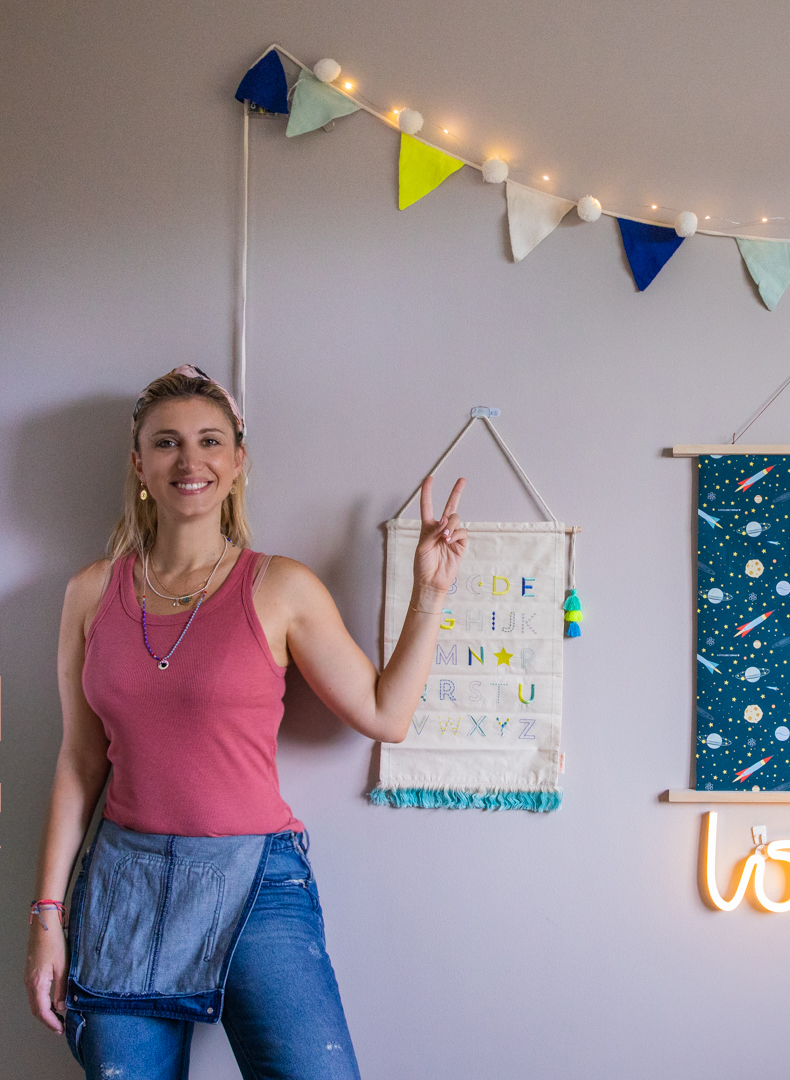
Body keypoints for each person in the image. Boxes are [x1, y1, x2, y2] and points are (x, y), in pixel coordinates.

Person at [23, 366, 467, 1079]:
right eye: (166, 442)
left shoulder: (281, 587)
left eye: (209, 441)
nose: (189, 460)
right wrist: (47, 914)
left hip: (257, 882)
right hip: (125, 888)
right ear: (139, 463)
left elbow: (387, 714)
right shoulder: (89, 593)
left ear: (237, 462)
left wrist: (430, 593)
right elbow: (79, 761)